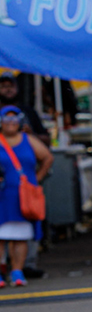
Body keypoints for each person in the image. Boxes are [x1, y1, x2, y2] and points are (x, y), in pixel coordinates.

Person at [0, 105, 52, 287]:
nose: (11, 123)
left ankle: (17, 271)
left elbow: (47, 158)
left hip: (24, 196)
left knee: (20, 235)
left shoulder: (28, 140)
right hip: (3, 194)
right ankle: (1, 272)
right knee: (1, 236)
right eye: (7, 119)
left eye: (14, 119)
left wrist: (37, 179)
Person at [0, 70, 49, 144]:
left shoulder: (29, 112)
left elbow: (47, 140)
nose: (8, 89)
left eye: (11, 86)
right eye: (4, 86)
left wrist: (31, 134)